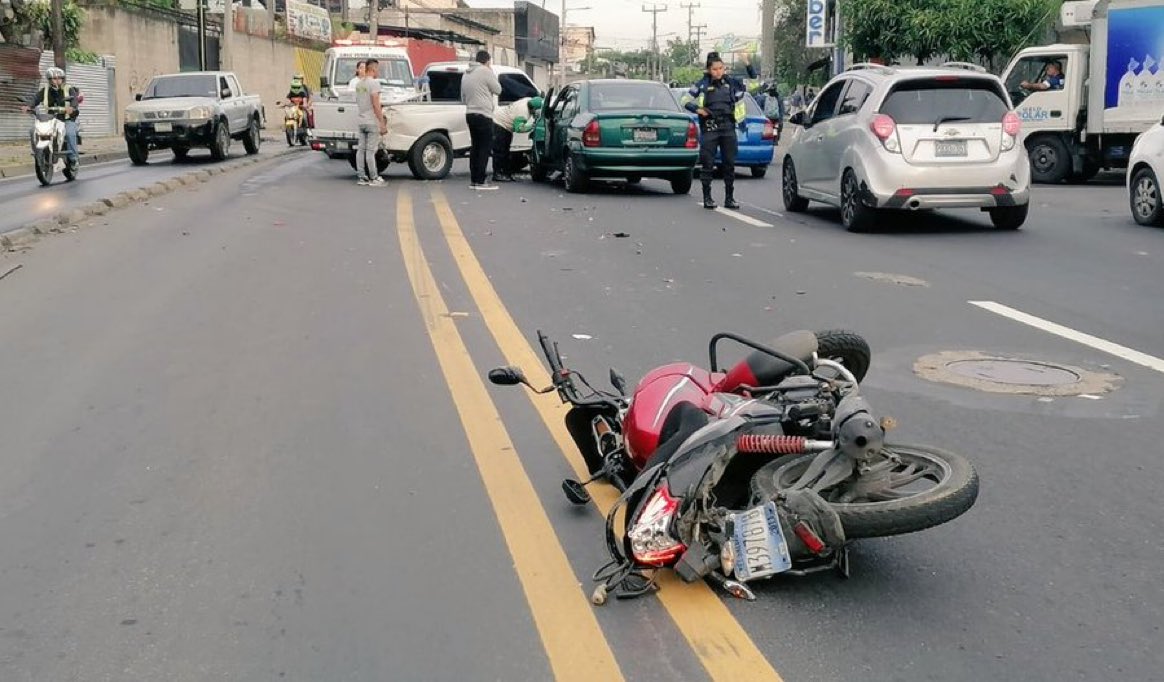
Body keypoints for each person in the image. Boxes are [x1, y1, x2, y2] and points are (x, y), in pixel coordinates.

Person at [682, 52, 756, 210]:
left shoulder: (731, 83)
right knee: (707, 163)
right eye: (715, 69)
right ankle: (707, 197)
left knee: (729, 164)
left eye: (721, 68)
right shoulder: (702, 84)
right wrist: (698, 110)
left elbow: (754, 81)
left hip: (728, 127)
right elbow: (685, 101)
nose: (718, 71)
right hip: (710, 128)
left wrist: (747, 63)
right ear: (709, 70)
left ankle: (729, 198)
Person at [23, 66, 81, 167]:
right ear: (49, 80)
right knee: (33, 130)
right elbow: (36, 98)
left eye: (60, 78)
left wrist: (72, 107)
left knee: (70, 133)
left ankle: (73, 158)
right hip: (50, 119)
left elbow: (74, 99)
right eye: (54, 78)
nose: (57, 80)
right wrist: (29, 106)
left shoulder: (68, 88)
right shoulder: (45, 90)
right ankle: (38, 153)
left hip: (66, 119)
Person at [461, 50, 502, 190]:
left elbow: (462, 97)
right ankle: (481, 180)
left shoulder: (466, 73)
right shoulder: (485, 71)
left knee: (475, 147)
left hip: (470, 113)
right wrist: (490, 71)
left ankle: (474, 180)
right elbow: (498, 89)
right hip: (484, 115)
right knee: (484, 147)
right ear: (487, 61)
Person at [490, 95, 543, 183]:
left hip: (500, 120)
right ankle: (498, 174)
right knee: (500, 151)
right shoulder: (523, 113)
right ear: (533, 109)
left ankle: (503, 173)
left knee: (505, 150)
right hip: (500, 123)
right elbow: (519, 128)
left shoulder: (528, 100)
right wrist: (532, 127)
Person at [354, 59, 386, 187]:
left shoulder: (359, 85)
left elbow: (359, 101)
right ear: (373, 69)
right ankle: (374, 177)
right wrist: (382, 122)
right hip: (371, 121)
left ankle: (362, 177)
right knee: (370, 151)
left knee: (361, 149)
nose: (378, 71)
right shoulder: (374, 84)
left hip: (361, 120)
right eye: (377, 69)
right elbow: (376, 104)